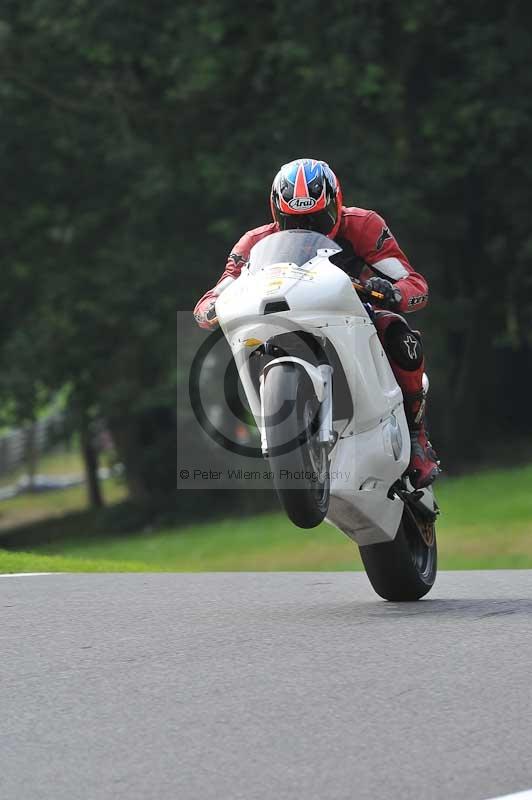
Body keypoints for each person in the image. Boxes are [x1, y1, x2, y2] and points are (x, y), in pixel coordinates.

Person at [194, 158, 439, 489]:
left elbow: (415, 285)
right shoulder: (254, 242)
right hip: (282, 317)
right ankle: (279, 429)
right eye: (293, 220)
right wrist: (211, 308)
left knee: (396, 331)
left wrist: (393, 292)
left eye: (316, 218)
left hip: (350, 313)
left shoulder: (364, 225)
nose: (306, 227)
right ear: (276, 214)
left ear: (336, 205)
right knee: (243, 342)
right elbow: (217, 291)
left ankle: (417, 435)